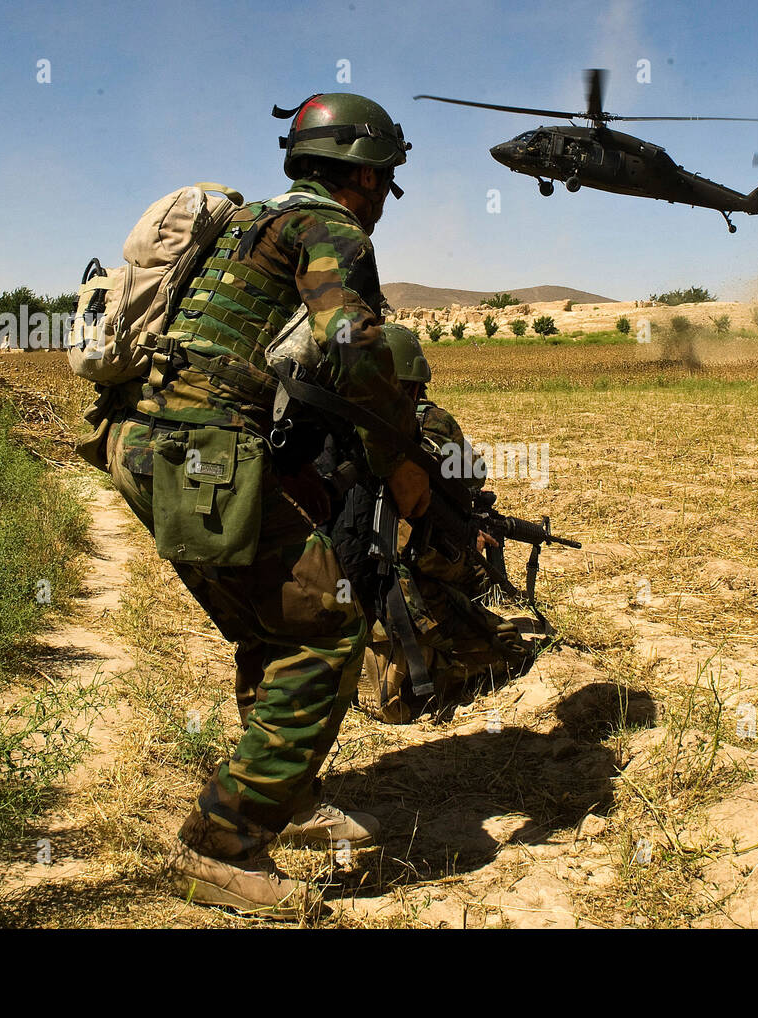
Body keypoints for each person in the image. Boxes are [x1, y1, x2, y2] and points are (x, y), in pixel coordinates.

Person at [104, 93, 426, 920]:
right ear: (360, 171)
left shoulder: (253, 223)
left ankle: (295, 798)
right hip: (200, 452)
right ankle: (223, 844)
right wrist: (398, 460)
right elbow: (350, 345)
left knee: (269, 625)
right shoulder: (332, 231)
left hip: (146, 443)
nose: (385, 195)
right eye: (385, 178)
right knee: (327, 628)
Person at [319, 324, 536, 724]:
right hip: (402, 581)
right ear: (415, 387)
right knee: (511, 650)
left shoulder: (329, 429)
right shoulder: (431, 422)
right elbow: (475, 474)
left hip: (333, 587)